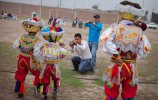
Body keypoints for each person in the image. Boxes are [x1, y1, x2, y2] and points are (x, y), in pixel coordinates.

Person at [100, 1, 151, 100]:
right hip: (131, 67)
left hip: (116, 64)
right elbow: (143, 52)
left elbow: (106, 42)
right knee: (129, 92)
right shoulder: (139, 31)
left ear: (121, 13)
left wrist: (116, 54)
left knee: (111, 91)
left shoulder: (116, 27)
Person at [33, 18, 67, 100]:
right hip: (55, 67)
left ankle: (44, 94)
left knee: (45, 82)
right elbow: (64, 54)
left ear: (46, 37)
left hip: (46, 67)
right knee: (56, 79)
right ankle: (55, 90)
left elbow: (36, 54)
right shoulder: (59, 48)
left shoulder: (43, 47)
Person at [13, 12, 43, 99]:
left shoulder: (22, 37)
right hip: (30, 60)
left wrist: (21, 47)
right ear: (37, 30)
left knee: (20, 73)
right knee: (38, 72)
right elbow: (36, 54)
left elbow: (14, 46)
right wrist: (39, 62)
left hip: (21, 58)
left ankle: (19, 90)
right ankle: (37, 87)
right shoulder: (37, 40)